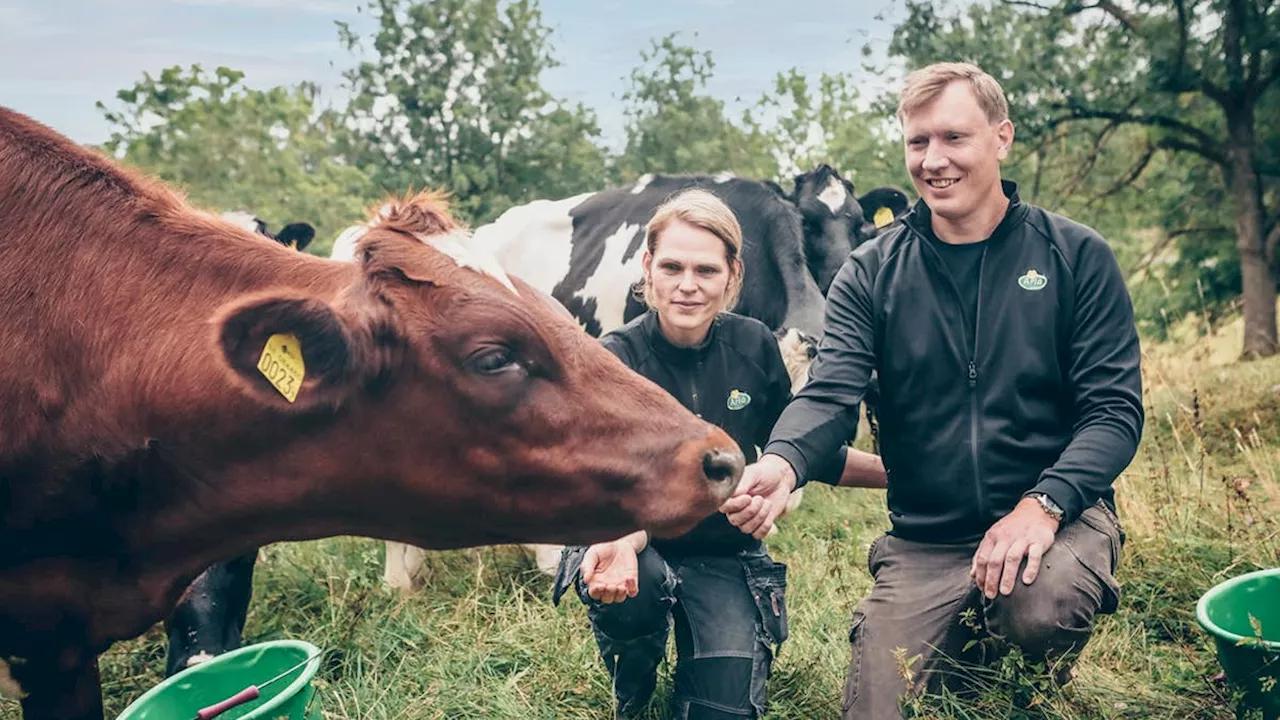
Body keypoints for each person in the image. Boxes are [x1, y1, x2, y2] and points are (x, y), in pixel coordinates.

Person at [720, 62, 1144, 719]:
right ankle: (966, 648)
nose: (933, 160)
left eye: (953, 138)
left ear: (1001, 139)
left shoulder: (1073, 256)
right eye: (918, 143)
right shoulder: (873, 270)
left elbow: (1114, 412)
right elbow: (830, 394)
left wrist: (1047, 503)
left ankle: (1035, 674)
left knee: (1043, 606)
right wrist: (782, 460)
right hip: (927, 539)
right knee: (875, 710)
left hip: (1054, 517)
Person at [551, 188, 887, 720]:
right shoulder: (614, 359)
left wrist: (903, 475)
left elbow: (806, 452)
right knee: (637, 587)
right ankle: (631, 680)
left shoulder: (756, 347)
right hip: (635, 550)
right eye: (673, 267)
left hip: (725, 554)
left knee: (722, 711)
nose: (687, 286)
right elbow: (587, 481)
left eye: (706, 271)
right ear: (648, 268)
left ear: (733, 274)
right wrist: (617, 535)